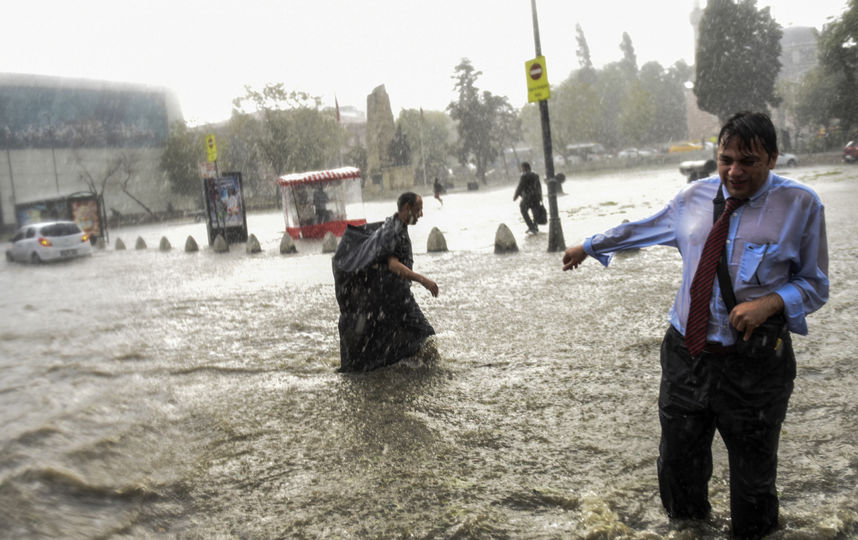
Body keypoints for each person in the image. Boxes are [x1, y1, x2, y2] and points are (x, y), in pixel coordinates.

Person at [561, 111, 829, 539]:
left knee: (754, 492)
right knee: (678, 473)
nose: (734, 171)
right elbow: (644, 229)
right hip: (687, 355)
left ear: (773, 159)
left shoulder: (801, 205)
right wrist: (589, 246)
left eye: (748, 161)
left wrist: (770, 303)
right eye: (726, 159)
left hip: (754, 367)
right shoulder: (693, 198)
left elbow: (815, 285)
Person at [332, 192, 439, 372]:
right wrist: (423, 280)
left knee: (387, 340)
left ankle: (400, 372)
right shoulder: (393, 230)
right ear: (407, 208)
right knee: (426, 335)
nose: (421, 215)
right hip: (396, 299)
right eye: (418, 210)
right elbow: (393, 265)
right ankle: (429, 374)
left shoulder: (392, 225)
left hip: (387, 299)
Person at [513, 162, 542, 234]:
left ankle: (531, 226)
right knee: (535, 212)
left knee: (523, 210)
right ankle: (535, 226)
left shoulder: (524, 176)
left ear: (524, 167)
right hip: (536, 197)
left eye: (522, 167)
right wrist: (540, 196)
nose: (521, 169)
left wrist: (515, 196)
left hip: (527, 198)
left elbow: (520, 187)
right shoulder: (536, 175)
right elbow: (539, 186)